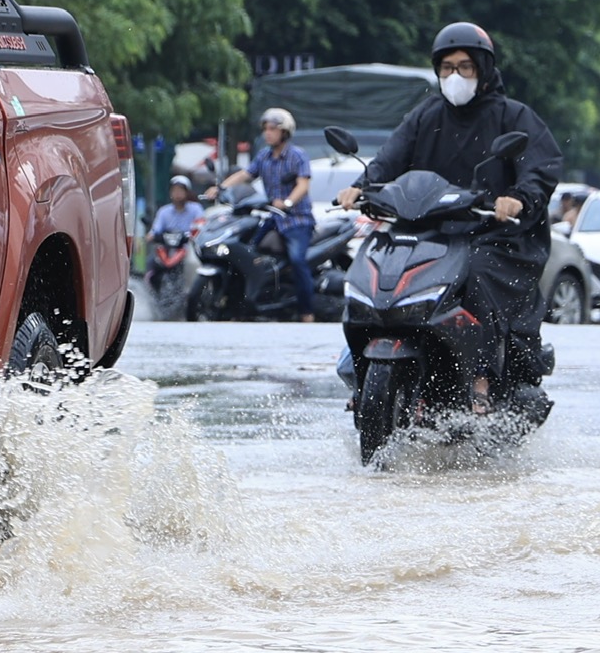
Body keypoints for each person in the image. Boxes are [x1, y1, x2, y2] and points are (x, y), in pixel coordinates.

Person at [336, 22, 564, 410]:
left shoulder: (513, 116)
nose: (454, 76)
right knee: (380, 263)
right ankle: (361, 371)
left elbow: (540, 167)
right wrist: (362, 185)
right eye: (446, 67)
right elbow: (391, 155)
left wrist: (517, 197)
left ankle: (481, 377)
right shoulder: (426, 115)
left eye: (465, 67)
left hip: (492, 234)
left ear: (484, 68)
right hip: (428, 229)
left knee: (474, 271)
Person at [224, 106, 316, 319]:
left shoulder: (297, 156)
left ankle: (307, 312)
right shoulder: (264, 156)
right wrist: (220, 188)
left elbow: (303, 185)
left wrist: (288, 201)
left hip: (297, 220)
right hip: (273, 218)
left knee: (297, 260)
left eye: (273, 129)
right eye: (265, 128)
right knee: (249, 252)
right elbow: (245, 175)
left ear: (284, 132)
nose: (267, 133)